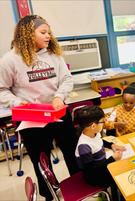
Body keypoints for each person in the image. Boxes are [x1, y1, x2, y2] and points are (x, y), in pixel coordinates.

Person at [0, 15, 79, 200]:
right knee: (40, 159)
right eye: (43, 32)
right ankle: (49, 194)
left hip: (58, 112)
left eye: (49, 32)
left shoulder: (54, 54)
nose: (48, 36)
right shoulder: (10, 60)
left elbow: (67, 79)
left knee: (72, 151)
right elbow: (2, 90)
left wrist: (59, 96)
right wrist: (17, 102)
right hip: (31, 119)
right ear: (27, 34)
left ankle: (79, 186)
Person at [75, 106, 125, 200]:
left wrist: (111, 145)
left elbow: (99, 141)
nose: (104, 123)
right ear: (93, 126)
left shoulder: (93, 132)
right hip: (94, 176)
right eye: (102, 121)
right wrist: (112, 159)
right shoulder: (84, 147)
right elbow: (91, 172)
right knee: (119, 177)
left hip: (101, 165)